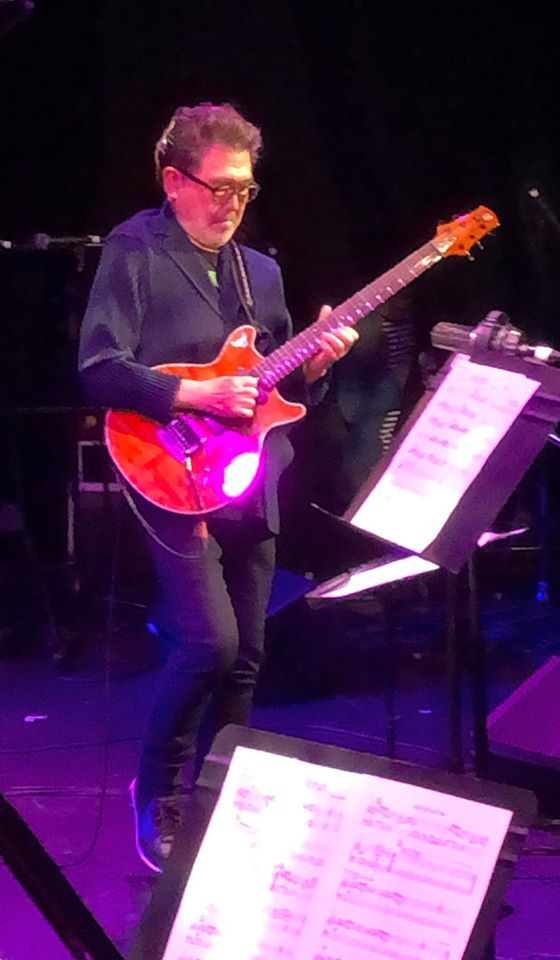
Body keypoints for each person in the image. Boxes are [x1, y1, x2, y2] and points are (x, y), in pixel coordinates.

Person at [77, 102, 358, 872]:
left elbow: (280, 395)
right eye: (219, 187)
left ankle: (220, 798)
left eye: (245, 189)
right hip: (168, 468)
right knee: (209, 642)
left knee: (249, 653)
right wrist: (193, 394)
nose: (233, 203)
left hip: (247, 479)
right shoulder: (135, 251)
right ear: (175, 181)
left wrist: (316, 368)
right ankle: (157, 794)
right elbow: (98, 368)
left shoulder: (259, 272)